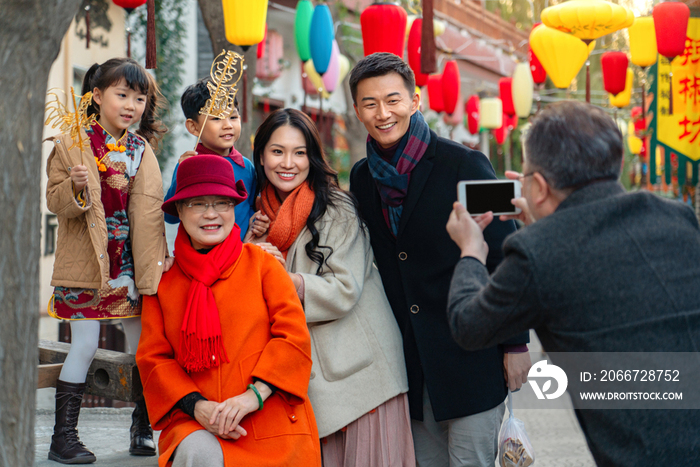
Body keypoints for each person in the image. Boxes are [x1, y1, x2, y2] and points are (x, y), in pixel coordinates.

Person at [445, 100, 700, 466]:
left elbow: (467, 325)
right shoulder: (676, 216)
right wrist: (543, 224)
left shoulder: (538, 252)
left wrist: (471, 251)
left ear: (540, 187)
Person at [347, 52, 531, 466]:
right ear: (357, 110)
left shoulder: (467, 163)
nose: (383, 113)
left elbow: (507, 253)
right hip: (409, 365)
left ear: (415, 101)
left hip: (470, 358)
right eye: (370, 103)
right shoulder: (362, 177)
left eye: (393, 100)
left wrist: (516, 343)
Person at [249, 108, 414, 466]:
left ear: (313, 156)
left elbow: (344, 290)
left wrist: (282, 278)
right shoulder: (260, 213)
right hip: (315, 382)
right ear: (261, 156)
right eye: (277, 152)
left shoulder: (336, 208)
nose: (288, 163)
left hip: (362, 378)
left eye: (299, 152)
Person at [136, 155, 322, 467]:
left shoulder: (262, 265)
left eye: (221, 203)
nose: (212, 214)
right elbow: (153, 360)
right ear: (179, 210)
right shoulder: (163, 282)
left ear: (233, 209)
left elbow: (293, 339)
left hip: (269, 411)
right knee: (198, 452)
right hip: (196, 420)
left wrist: (253, 397)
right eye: (197, 204)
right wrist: (198, 407)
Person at [45, 57, 169, 463]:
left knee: (144, 349)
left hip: (129, 267)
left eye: (139, 97)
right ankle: (63, 438)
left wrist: (157, 263)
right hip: (87, 265)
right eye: (122, 95)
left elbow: (151, 212)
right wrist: (75, 187)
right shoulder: (72, 143)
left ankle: (143, 428)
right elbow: (55, 202)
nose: (131, 104)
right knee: (82, 345)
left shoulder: (140, 149)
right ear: (97, 97)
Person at [164, 77, 261, 239]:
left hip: (239, 254)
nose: (228, 125)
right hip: (199, 255)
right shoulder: (190, 166)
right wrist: (182, 172)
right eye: (216, 118)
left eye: (233, 117)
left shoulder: (246, 166)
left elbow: (250, 208)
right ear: (194, 127)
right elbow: (171, 216)